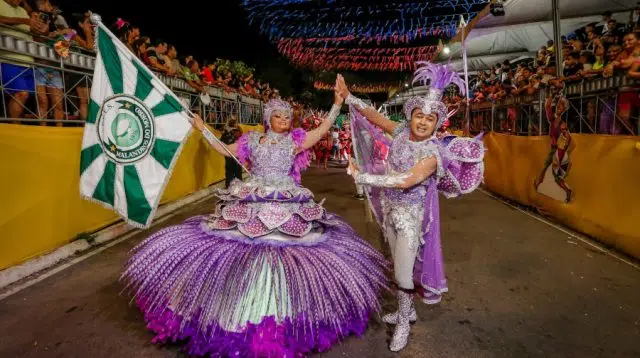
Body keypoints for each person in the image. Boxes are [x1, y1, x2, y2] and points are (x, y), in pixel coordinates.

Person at [121, 90, 390, 357]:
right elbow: (225, 150)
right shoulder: (251, 140)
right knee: (243, 249)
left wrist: (335, 106)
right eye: (278, 116)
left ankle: (279, 312)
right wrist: (202, 129)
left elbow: (322, 131)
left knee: (284, 251)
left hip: (287, 201)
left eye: (287, 116)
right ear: (267, 119)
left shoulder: (295, 141)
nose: (285, 119)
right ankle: (237, 312)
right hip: (251, 200)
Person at [337, 63, 485, 352]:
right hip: (390, 210)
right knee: (398, 267)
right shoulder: (402, 133)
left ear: (436, 124)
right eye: (419, 116)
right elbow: (376, 118)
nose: (422, 122)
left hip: (410, 217)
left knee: (404, 274)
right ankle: (408, 310)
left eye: (429, 119)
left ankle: (404, 321)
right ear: (411, 115)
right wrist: (349, 97)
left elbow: (406, 181)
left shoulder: (433, 153)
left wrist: (361, 176)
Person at [220, 115, 243, 188]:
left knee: (230, 173)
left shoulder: (225, 133)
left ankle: (230, 188)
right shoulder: (237, 131)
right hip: (236, 156)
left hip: (229, 156)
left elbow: (221, 142)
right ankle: (239, 188)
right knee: (237, 173)